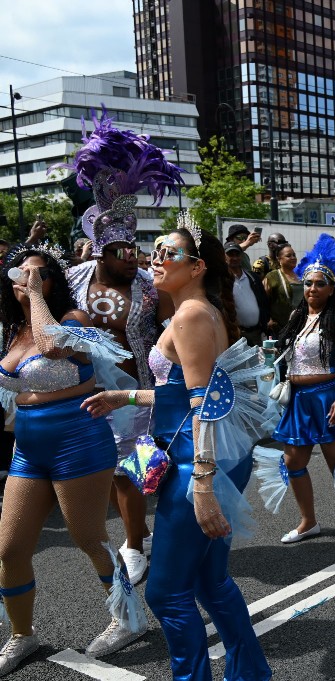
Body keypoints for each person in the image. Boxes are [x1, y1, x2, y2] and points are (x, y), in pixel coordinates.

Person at [84, 214, 275, 680]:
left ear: (197, 268)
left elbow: (205, 404)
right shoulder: (195, 312)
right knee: (210, 582)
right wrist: (123, 396)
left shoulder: (190, 315)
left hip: (195, 464)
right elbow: (184, 392)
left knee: (166, 593)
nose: (156, 260)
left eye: (169, 253)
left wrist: (204, 486)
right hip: (207, 457)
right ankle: (250, 673)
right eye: (156, 251)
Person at [0, 245, 146, 673]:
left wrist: (36, 297)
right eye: (22, 274)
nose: (29, 280)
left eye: (40, 275)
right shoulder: (12, 332)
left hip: (78, 438)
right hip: (28, 444)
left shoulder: (73, 321)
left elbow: (51, 345)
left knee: (89, 538)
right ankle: (22, 636)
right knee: (9, 548)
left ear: (54, 283)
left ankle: (128, 618)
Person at [62, 113, 181, 586]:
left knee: (135, 471)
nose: (130, 259)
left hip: (139, 392)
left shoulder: (151, 287)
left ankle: (135, 544)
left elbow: (176, 325)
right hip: (89, 394)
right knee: (114, 474)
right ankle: (142, 534)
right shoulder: (72, 281)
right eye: (120, 252)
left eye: (134, 250)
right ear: (98, 251)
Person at [273, 234, 335, 542]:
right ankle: (308, 521)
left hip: (329, 396)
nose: (312, 289)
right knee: (293, 461)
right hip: (299, 400)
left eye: (319, 284)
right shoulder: (297, 317)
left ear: (331, 289)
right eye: (308, 284)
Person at [226, 242, 269, 347]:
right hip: (236, 337)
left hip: (257, 334)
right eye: (231, 254)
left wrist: (265, 322)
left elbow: (264, 301)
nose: (235, 258)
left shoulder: (252, 277)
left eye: (237, 254)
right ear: (224, 257)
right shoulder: (222, 281)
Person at [264, 242, 302, 337]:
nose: (293, 258)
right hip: (280, 328)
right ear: (279, 259)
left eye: (294, 255)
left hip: (300, 325)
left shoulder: (301, 276)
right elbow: (262, 300)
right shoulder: (272, 276)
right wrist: (268, 319)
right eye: (288, 256)